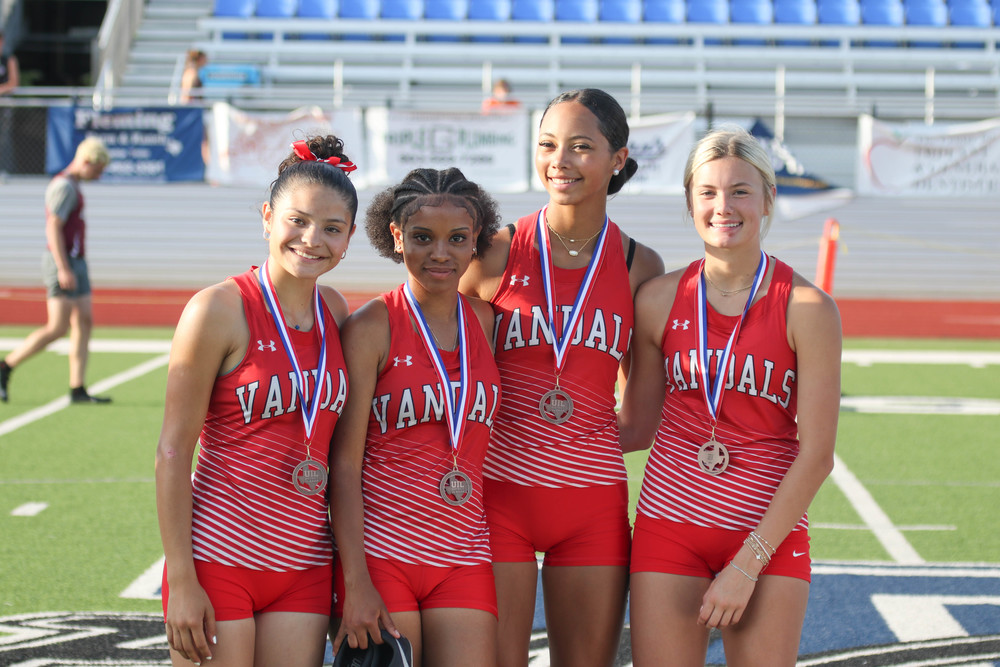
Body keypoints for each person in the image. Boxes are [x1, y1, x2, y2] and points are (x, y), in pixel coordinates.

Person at [618, 126, 842, 666]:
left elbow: (817, 456)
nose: (724, 206)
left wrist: (747, 565)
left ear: (768, 199)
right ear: (690, 203)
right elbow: (637, 425)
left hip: (766, 530)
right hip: (669, 526)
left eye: (741, 190)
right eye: (709, 192)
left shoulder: (808, 309)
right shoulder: (658, 299)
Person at [459, 88, 664, 667]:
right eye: (548, 145)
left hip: (592, 504)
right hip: (496, 496)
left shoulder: (639, 266)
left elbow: (644, 414)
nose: (560, 161)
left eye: (581, 147)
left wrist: (578, 444)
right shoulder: (493, 253)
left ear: (617, 158)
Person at [154, 135, 358, 667]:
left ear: (350, 236)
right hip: (219, 558)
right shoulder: (217, 309)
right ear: (267, 217)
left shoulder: (336, 311)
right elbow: (174, 451)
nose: (313, 240)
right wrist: (181, 577)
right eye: (298, 221)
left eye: (332, 229)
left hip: (305, 568)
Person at [330, 168, 502, 667]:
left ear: (476, 243)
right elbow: (344, 466)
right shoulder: (370, 327)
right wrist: (355, 580)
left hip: (464, 553)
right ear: (397, 236)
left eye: (457, 239)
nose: (441, 253)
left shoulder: (487, 322)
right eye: (423, 238)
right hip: (383, 552)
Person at [0, 137, 111, 404]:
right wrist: (63, 268)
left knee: (83, 321)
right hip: (63, 262)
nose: (97, 177)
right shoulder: (63, 186)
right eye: (96, 171)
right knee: (58, 326)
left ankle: (77, 388)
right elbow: (53, 227)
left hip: (77, 261)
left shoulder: (73, 185)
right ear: (86, 162)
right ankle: (6, 366)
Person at [0, 30, 21, 176]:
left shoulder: (8, 59)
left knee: (4, 138)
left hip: (4, 106)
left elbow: (13, 83)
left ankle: (6, 170)